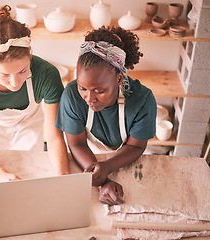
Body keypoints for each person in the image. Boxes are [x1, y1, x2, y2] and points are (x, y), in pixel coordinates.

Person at [0, 5, 69, 182]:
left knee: (32, 178)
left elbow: (54, 137)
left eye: (23, 71)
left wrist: (63, 175)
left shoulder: (47, 74)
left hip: (29, 128)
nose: (15, 83)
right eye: (4, 75)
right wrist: (0, 174)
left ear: (30, 52)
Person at [56, 26, 157, 205]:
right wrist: (102, 179)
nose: (89, 98)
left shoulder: (143, 100)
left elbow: (136, 147)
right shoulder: (71, 95)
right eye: (83, 88)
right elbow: (77, 143)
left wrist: (108, 167)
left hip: (126, 160)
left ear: (119, 78)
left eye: (99, 91)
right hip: (85, 158)